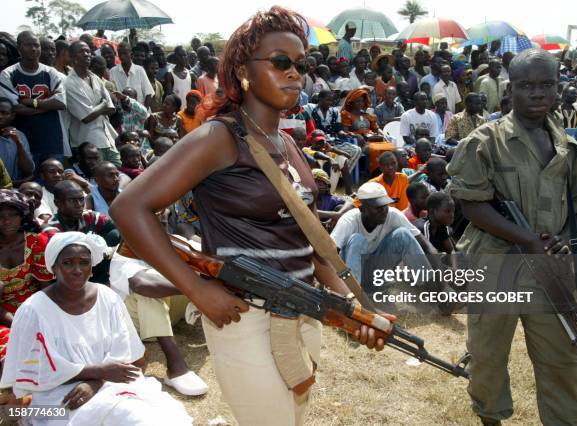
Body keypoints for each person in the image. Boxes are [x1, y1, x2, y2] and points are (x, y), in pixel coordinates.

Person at [109, 8, 388, 425]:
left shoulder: (287, 142)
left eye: (300, 65)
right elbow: (129, 208)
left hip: (302, 308)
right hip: (244, 314)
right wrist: (197, 291)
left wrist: (351, 306)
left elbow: (312, 243)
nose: (294, 74)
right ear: (242, 70)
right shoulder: (218, 137)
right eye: (280, 62)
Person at [447, 48, 577, 426]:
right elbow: (471, 205)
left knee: (561, 354)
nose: (537, 93)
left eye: (546, 84)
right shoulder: (486, 141)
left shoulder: (569, 147)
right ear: (509, 89)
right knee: (488, 355)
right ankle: (490, 417)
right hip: (495, 265)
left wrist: (563, 238)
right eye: (526, 85)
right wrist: (526, 239)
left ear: (557, 88)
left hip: (550, 269)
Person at [0, 231, 193, 425]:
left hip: (110, 383)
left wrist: (95, 382)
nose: (77, 270)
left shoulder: (107, 297)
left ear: (92, 268)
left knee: (140, 415)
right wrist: (98, 372)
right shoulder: (33, 311)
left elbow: (123, 355)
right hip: (55, 397)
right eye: (68, 263)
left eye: (84, 262)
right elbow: (34, 372)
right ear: (53, 267)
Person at [109, 250, 208, 397]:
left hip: (167, 315)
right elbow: (141, 285)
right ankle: (176, 368)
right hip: (141, 324)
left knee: (202, 267)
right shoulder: (123, 255)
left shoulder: (169, 244)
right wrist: (201, 288)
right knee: (147, 292)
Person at [331, 181, 427, 293]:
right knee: (357, 240)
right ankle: (355, 295)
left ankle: (429, 284)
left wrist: (443, 285)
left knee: (403, 234)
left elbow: (422, 242)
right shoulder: (349, 220)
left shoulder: (393, 215)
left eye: (385, 205)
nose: (384, 211)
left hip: (374, 273)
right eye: (378, 207)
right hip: (349, 276)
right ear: (362, 209)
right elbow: (330, 253)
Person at [0, 189, 54, 361]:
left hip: (35, 309)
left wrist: (38, 319)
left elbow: (46, 290)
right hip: (4, 316)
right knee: (10, 346)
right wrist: (19, 323)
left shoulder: (36, 242)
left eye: (12, 215)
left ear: (21, 216)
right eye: (0, 215)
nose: (6, 221)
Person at [0, 31, 67, 169]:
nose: (33, 48)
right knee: (29, 186)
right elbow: (15, 109)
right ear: (19, 48)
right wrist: (48, 105)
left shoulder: (51, 72)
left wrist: (31, 102)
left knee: (54, 185)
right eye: (28, 45)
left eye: (36, 45)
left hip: (52, 140)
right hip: (23, 142)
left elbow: (60, 103)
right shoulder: (8, 74)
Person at [65, 41, 120, 167]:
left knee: (117, 173)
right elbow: (86, 117)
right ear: (73, 57)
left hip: (107, 139)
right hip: (88, 144)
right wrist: (102, 105)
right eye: (81, 51)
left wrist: (97, 108)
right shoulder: (69, 83)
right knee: (98, 178)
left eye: (88, 51)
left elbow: (112, 108)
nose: (86, 54)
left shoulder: (95, 78)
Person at [109, 42, 154, 108]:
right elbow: (112, 94)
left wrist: (144, 112)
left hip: (140, 112)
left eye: (124, 53)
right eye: (120, 53)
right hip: (122, 113)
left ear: (131, 54)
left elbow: (149, 93)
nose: (122, 56)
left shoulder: (139, 70)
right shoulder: (113, 71)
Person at [0, 97, 34, 185]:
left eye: (4, 113)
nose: (0, 116)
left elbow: (28, 170)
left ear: (12, 116)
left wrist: (18, 142)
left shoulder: (20, 136)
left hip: (13, 191)